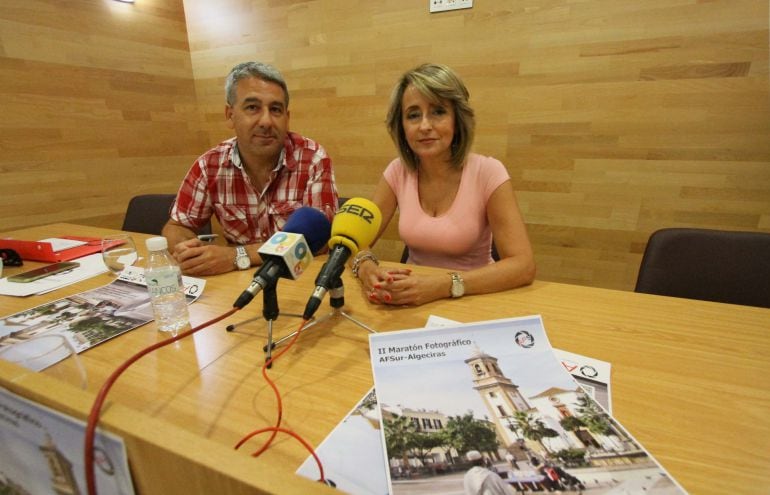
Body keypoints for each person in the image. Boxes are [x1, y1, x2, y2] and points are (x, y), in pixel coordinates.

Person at [351, 63, 535, 306]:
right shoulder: (397, 171)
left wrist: (445, 285)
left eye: (438, 112)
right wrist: (366, 267)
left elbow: (523, 266)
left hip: (474, 298)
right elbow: (355, 241)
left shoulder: (488, 172)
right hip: (410, 302)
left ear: (457, 120)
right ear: (402, 125)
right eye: (413, 115)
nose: (425, 126)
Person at [162, 61, 338, 276]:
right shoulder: (210, 165)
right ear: (230, 115)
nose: (266, 121)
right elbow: (177, 226)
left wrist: (238, 257)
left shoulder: (312, 158)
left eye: (275, 110)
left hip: (299, 278)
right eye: (252, 107)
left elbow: (318, 241)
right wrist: (188, 251)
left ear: (287, 118)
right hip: (238, 281)